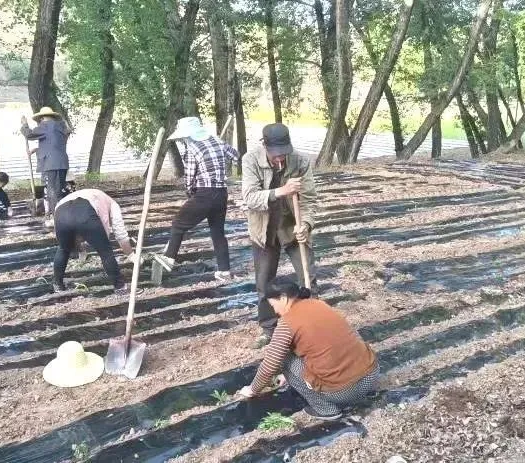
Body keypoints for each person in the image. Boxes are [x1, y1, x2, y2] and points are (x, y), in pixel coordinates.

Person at [236, 282, 380, 420]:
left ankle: (326, 410)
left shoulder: (287, 323)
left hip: (345, 392)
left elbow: (270, 365)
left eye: (273, 305)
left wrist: (253, 389)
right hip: (371, 375)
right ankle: (369, 393)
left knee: (284, 359)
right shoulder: (319, 304)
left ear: (284, 298)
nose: (274, 310)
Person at [241, 123, 318, 347]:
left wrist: (305, 224)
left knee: (307, 278)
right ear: (265, 146)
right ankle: (268, 328)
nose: (280, 160)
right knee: (264, 281)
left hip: (292, 227)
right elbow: (249, 198)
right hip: (264, 229)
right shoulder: (251, 160)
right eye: (275, 155)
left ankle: (311, 324)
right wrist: (281, 191)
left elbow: (310, 200)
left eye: (284, 154)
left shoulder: (300, 162)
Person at [151, 117, 239, 282]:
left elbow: (190, 177)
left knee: (178, 224)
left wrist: (190, 191)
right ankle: (225, 271)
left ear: (188, 135)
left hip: (205, 194)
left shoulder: (192, 149)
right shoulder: (217, 141)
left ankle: (169, 258)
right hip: (221, 193)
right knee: (218, 233)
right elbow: (235, 156)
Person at [52, 188, 139, 295]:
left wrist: (79, 248)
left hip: (61, 214)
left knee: (63, 249)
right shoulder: (112, 204)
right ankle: (120, 287)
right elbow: (120, 235)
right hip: (85, 211)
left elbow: (70, 227)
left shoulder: (83, 196)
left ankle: (58, 285)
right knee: (105, 252)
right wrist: (131, 255)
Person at [20, 107, 70, 227]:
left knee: (52, 190)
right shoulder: (61, 127)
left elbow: (29, 134)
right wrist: (36, 149)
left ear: (43, 118)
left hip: (50, 163)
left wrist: (24, 125)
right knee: (59, 189)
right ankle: (63, 214)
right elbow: (53, 144)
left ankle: (55, 217)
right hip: (62, 162)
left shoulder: (45, 125)